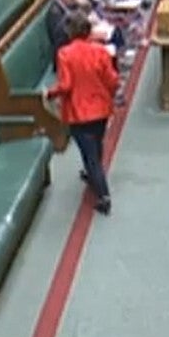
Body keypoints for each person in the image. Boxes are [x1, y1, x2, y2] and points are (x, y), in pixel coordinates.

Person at [45, 13, 120, 216]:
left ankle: (103, 196)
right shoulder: (100, 51)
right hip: (101, 108)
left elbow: (66, 85)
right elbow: (113, 80)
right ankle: (92, 175)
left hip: (79, 113)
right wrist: (108, 96)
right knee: (97, 144)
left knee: (90, 156)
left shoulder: (65, 54)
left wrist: (50, 93)